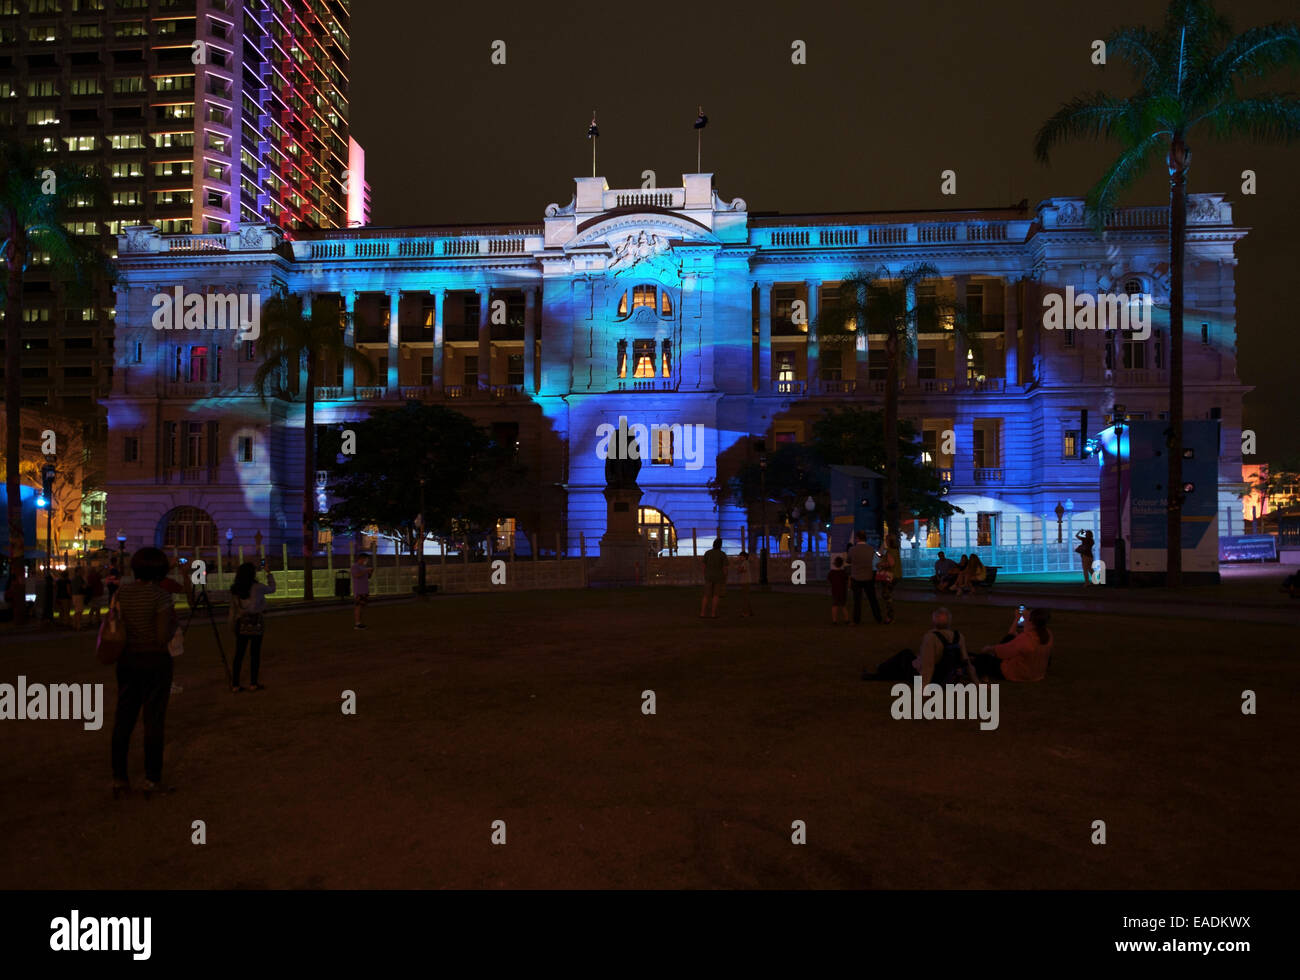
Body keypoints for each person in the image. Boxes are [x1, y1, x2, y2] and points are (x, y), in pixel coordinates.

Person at [110, 547, 179, 799]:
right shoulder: (160, 596)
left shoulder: (122, 593)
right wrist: (173, 627)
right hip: (154, 660)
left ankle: (119, 778)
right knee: (153, 720)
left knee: (124, 719)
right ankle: (152, 778)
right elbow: (162, 636)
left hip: (127, 659)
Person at [228, 560, 277, 692]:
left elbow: (232, 610)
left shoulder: (235, 590)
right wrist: (268, 572)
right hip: (256, 622)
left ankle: (235, 684)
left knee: (239, 654)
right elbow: (272, 588)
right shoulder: (258, 587)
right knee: (255, 654)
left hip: (241, 622)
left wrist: (232, 625)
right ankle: (253, 683)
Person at [973, 608, 1053, 682]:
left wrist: (989, 648)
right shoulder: (1048, 634)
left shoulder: (1026, 638)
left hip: (1019, 673)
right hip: (1037, 672)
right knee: (1010, 638)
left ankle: (981, 674)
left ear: (1031, 621)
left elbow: (1004, 651)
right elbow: (1012, 636)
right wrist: (1018, 618)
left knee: (982, 659)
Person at [913, 607, 977, 684]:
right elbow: (966, 662)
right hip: (950, 676)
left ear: (934, 620)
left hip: (935, 678)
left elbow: (928, 666)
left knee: (905, 656)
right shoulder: (959, 636)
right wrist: (977, 682)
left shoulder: (930, 637)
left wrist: (924, 687)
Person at [847, 531, 882, 625]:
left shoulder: (852, 550)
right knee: (872, 599)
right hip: (868, 576)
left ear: (857, 538)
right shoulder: (871, 549)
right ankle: (878, 618)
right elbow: (876, 561)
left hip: (856, 576)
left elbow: (848, 560)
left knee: (857, 601)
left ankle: (856, 620)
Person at [700, 538, 726, 618]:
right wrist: (725, 577)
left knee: (706, 595)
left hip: (708, 576)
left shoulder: (708, 553)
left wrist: (705, 574)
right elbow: (725, 568)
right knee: (716, 595)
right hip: (719, 577)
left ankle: (702, 613)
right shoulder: (722, 554)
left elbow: (704, 566)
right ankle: (713, 613)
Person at [875, 537, 898, 624]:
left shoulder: (890, 551)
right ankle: (890, 616)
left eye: (886, 541)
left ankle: (890, 617)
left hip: (889, 576)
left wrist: (880, 564)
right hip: (896, 575)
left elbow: (891, 563)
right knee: (887, 596)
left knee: (887, 596)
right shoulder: (896, 550)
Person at [350, 553, 374, 629]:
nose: (366, 561)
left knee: (361, 607)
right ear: (362, 558)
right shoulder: (355, 566)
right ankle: (357, 623)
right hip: (359, 590)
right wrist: (366, 570)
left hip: (364, 590)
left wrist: (370, 572)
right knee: (358, 606)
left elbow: (368, 577)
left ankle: (359, 622)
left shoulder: (363, 567)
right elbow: (356, 575)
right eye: (366, 559)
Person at [828, 555, 849, 624]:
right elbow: (847, 580)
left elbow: (829, 580)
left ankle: (834, 620)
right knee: (843, 605)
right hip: (843, 591)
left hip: (835, 590)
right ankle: (846, 619)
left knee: (835, 605)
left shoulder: (831, 573)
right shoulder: (843, 573)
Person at [734, 549, 753, 617]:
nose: (739, 558)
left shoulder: (744, 563)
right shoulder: (746, 562)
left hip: (745, 581)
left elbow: (741, 570)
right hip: (746, 581)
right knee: (746, 597)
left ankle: (746, 612)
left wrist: (738, 569)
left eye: (741, 556)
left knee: (745, 597)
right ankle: (749, 611)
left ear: (744, 557)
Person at [71, 566, 87, 631]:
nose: (82, 571)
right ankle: (78, 625)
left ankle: (75, 624)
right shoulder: (79, 578)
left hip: (74, 595)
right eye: (81, 570)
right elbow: (83, 587)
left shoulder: (73, 578)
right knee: (79, 611)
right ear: (78, 571)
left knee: (77, 610)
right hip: (79, 595)